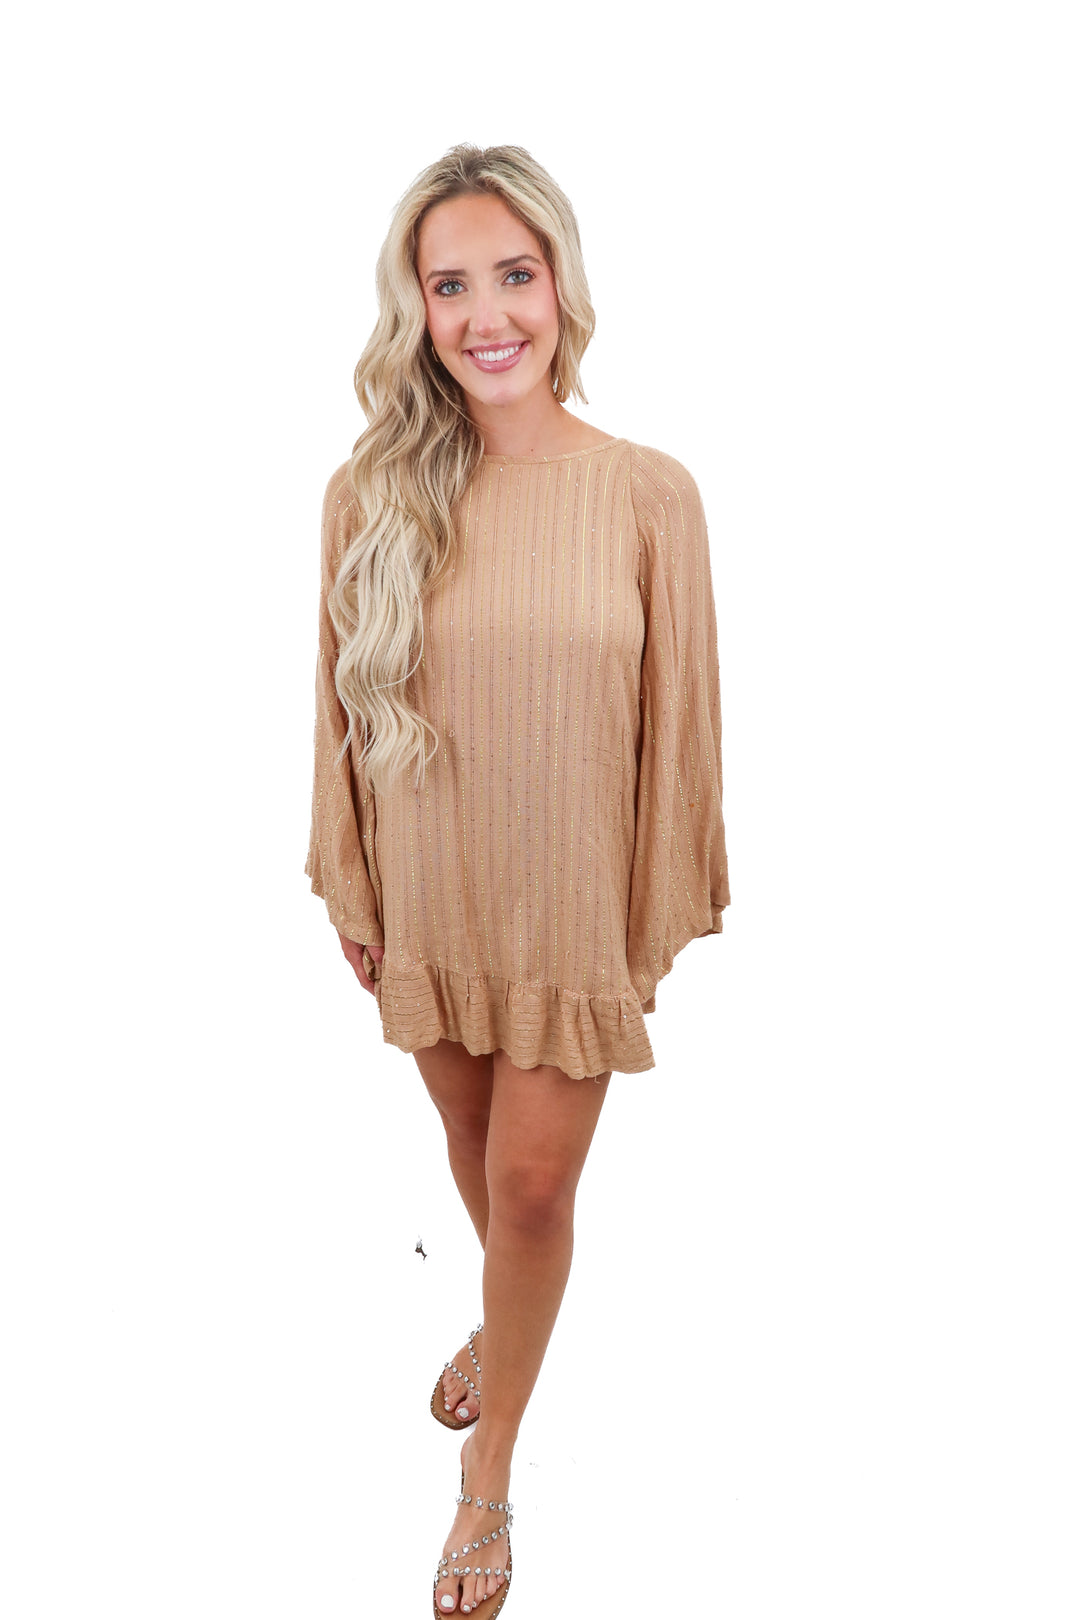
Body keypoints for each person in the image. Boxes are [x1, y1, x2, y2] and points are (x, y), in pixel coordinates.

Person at [303, 142, 731, 1619]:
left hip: (566, 902)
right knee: (477, 1149)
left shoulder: (649, 492)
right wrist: (352, 880)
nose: (487, 316)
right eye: (450, 286)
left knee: (534, 1186)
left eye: (515, 276)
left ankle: (486, 1474)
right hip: (431, 888)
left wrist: (650, 911)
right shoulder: (368, 491)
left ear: (561, 286)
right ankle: (509, 1317)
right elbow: (334, 705)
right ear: (414, 309)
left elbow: (683, 718)